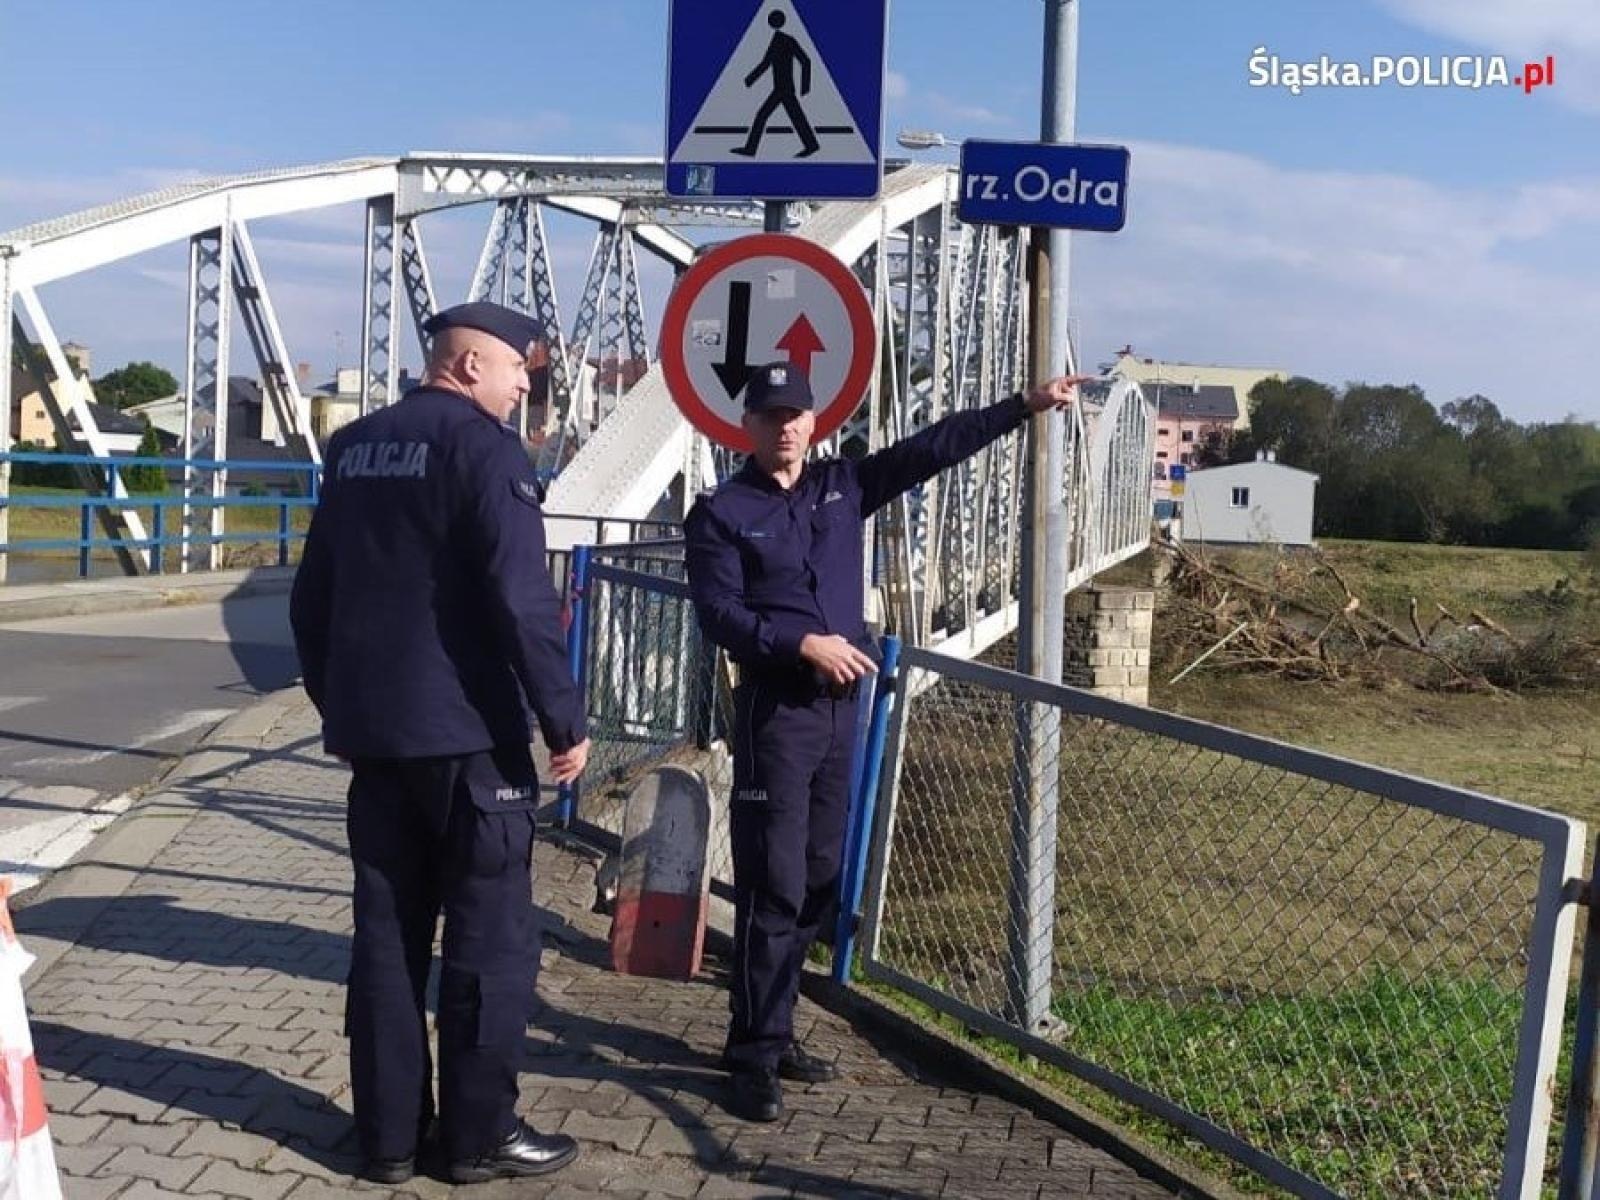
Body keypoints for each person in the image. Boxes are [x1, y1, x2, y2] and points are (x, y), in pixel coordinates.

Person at [685, 361, 1086, 1122]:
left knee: (822, 880)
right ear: (751, 427)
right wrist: (802, 643)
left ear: (814, 421)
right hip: (779, 715)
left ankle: (777, 1025)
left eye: (798, 415)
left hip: (845, 715)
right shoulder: (722, 512)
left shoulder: (843, 487)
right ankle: (754, 1055)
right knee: (772, 887)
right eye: (773, 417)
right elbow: (719, 617)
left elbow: (936, 447)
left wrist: (1024, 405)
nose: (788, 428)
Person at [290, 301, 591, 1185]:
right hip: (470, 750)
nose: (523, 389)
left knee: (385, 944)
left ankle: (385, 1141)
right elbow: (521, 600)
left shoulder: (352, 451)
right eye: (516, 374)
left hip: (377, 749)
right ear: (467, 367)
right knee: (489, 948)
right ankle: (477, 1138)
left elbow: (314, 602)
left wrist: (344, 711)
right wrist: (563, 721)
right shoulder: (484, 450)